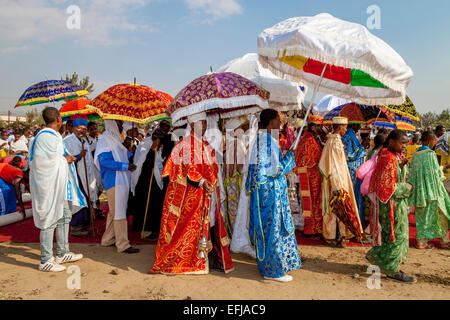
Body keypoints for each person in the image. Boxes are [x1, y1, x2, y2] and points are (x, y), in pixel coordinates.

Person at [149, 112, 234, 275]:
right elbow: (188, 169)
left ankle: (210, 256)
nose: (204, 126)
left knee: (210, 224)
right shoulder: (186, 144)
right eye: (201, 123)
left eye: (204, 123)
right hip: (194, 195)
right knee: (193, 227)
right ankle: (194, 258)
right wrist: (202, 182)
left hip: (209, 193)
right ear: (193, 124)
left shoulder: (205, 143)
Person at [246, 109, 301, 282]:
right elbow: (275, 170)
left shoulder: (262, 140)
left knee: (267, 229)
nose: (280, 123)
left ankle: (271, 265)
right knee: (272, 230)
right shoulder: (267, 141)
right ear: (271, 123)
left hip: (263, 192)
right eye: (278, 120)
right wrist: (290, 158)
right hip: (269, 193)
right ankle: (273, 271)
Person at [30, 107, 85, 272]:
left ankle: (62, 252)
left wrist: (64, 159)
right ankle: (45, 259)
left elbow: (53, 158)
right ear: (59, 119)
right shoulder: (46, 137)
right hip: (49, 186)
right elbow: (43, 163)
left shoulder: (54, 137)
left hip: (60, 184)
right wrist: (65, 160)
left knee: (65, 216)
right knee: (49, 219)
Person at [366, 129, 416, 283]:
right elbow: (387, 186)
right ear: (392, 141)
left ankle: (380, 258)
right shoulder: (388, 158)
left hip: (394, 204)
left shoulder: (390, 156)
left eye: (406, 144)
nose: (404, 146)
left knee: (392, 235)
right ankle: (392, 269)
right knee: (395, 236)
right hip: (391, 206)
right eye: (402, 143)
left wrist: (400, 165)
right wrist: (407, 188)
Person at [94, 120, 139, 254]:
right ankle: (123, 244)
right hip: (114, 180)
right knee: (119, 212)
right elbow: (104, 161)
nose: (121, 126)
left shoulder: (115, 139)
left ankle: (107, 239)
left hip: (121, 180)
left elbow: (121, 156)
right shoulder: (105, 139)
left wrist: (130, 152)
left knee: (114, 212)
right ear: (111, 124)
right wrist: (125, 166)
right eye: (119, 123)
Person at [319, 117, 363, 247]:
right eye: (344, 127)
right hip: (337, 180)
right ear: (339, 127)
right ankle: (337, 236)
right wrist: (338, 184)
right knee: (338, 208)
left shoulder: (333, 140)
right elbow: (334, 165)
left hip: (338, 178)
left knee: (335, 209)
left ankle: (335, 235)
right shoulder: (334, 143)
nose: (346, 130)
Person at [408, 131, 450, 249]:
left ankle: (421, 242)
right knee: (441, 215)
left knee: (422, 217)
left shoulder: (416, 155)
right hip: (432, 192)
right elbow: (436, 174)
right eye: (434, 141)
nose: (435, 143)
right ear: (430, 140)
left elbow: (412, 175)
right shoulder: (430, 154)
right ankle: (444, 241)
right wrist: (445, 167)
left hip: (420, 192)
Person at [63, 116, 99, 237]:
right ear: (73, 128)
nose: (82, 130)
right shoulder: (68, 140)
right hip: (76, 176)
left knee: (87, 201)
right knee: (79, 202)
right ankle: (76, 228)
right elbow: (67, 159)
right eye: (79, 128)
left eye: (84, 128)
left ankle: (85, 226)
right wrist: (79, 155)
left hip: (87, 176)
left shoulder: (84, 141)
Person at [129, 128, 167, 240]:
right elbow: (142, 164)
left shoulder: (156, 148)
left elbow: (158, 165)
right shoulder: (145, 146)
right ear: (156, 140)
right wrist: (153, 149)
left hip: (153, 181)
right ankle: (145, 230)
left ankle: (151, 228)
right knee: (146, 205)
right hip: (144, 181)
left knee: (154, 205)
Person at [294, 115, 324, 238]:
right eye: (319, 126)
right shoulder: (308, 140)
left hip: (313, 174)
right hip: (310, 175)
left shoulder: (313, 138)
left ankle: (315, 228)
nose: (321, 128)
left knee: (314, 202)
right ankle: (311, 229)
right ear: (313, 126)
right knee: (311, 202)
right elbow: (306, 159)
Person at [223, 116, 249, 235]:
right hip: (237, 181)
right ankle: (237, 235)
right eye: (241, 128)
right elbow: (240, 168)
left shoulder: (229, 143)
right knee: (238, 210)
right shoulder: (237, 143)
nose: (243, 130)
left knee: (231, 208)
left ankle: (232, 233)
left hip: (229, 181)